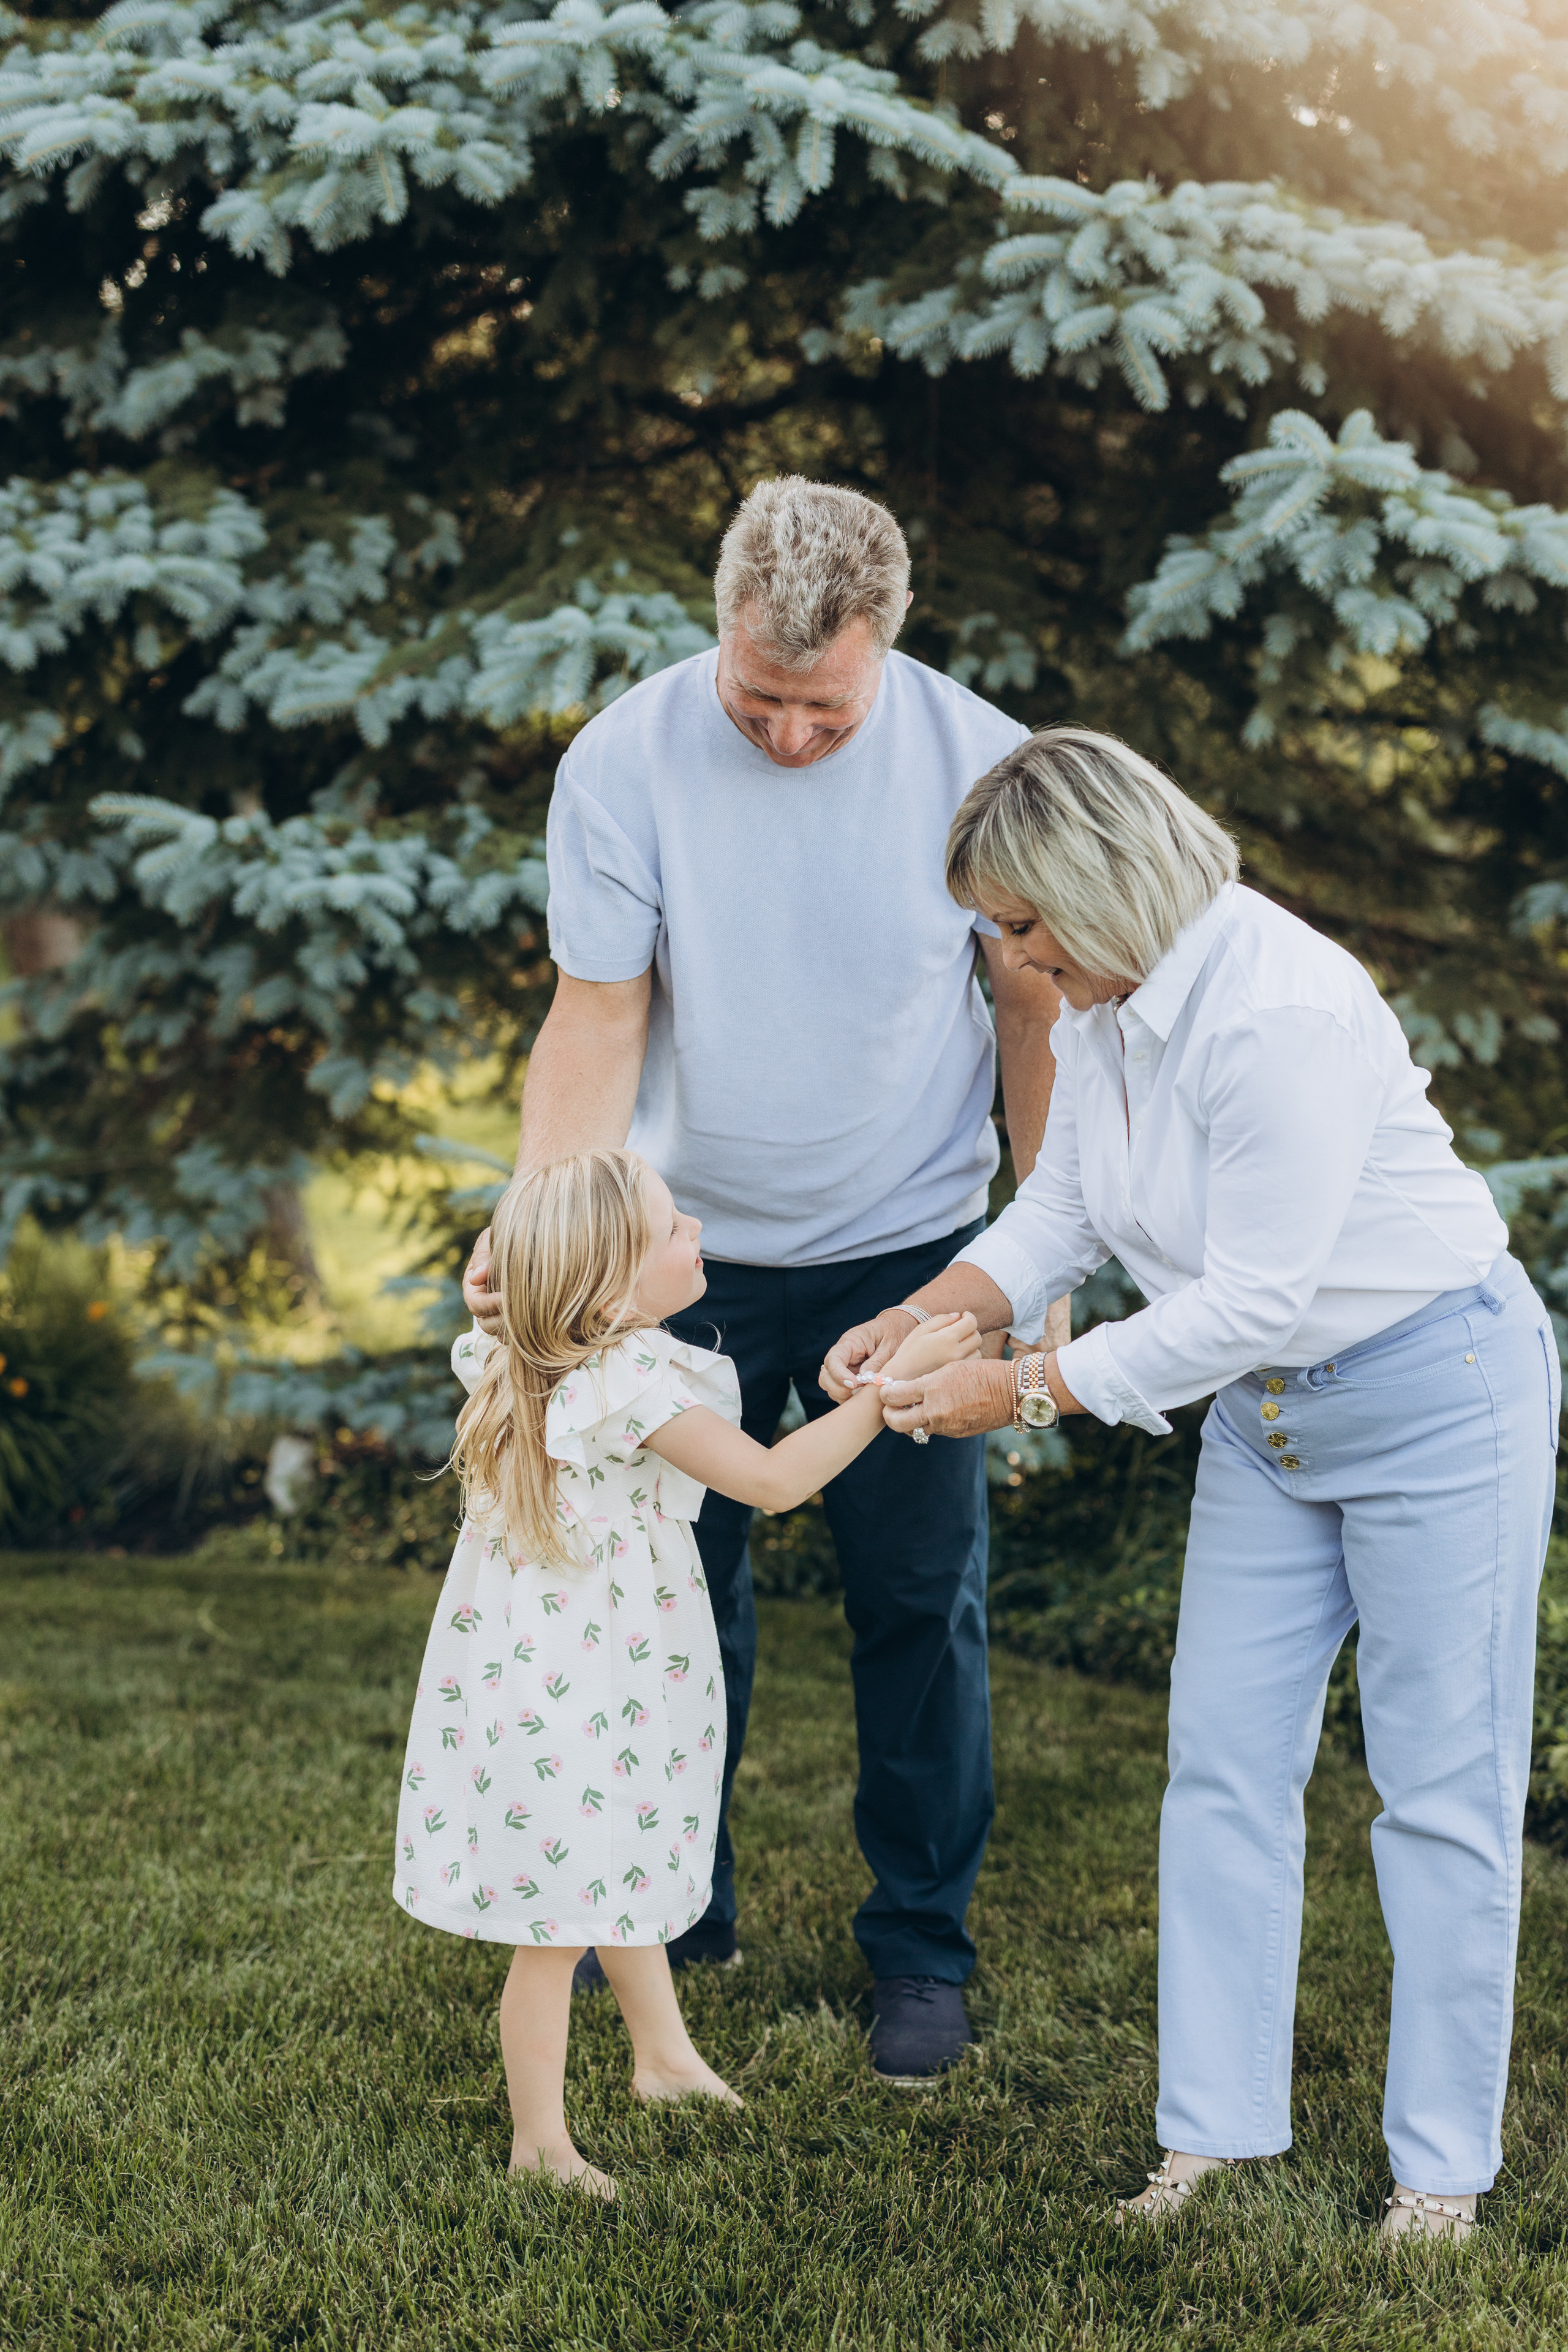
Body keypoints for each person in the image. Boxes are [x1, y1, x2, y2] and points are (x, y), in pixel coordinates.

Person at [823, 726, 1558, 2239]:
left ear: (1099, 886)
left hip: (1437, 1396)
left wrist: (1015, 1388)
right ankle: (1208, 2141)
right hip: (1268, 1428)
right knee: (1220, 1770)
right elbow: (1068, 1208)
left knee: (1436, 1796)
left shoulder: (1276, 1010)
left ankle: (1437, 2179)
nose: (1007, 958)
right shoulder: (1105, 999)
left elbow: (1253, 1300)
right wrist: (929, 1311)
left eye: (1020, 924)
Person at [462, 475, 1066, 2080]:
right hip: (687, 1265)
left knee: (919, 1610)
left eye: (826, 709)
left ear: (891, 653)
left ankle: (921, 1953)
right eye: (760, 699)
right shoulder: (626, 760)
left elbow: (1033, 1013)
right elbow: (598, 1017)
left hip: (918, 1250)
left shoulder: (982, 764)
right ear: (719, 629)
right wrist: (550, 1248)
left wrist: (1038, 1255)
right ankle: (677, 1906)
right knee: (671, 1607)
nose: (790, 736)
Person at [399, 1145, 980, 2194]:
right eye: (674, 1229)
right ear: (611, 1286)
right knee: (555, 1926)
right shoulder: (628, 1382)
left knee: (611, 1859)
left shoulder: (524, 1358)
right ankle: (540, 2145)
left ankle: (663, 2057)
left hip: (566, 1680)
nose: (698, 1233)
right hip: (587, 1689)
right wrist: (894, 1387)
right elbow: (771, 1479)